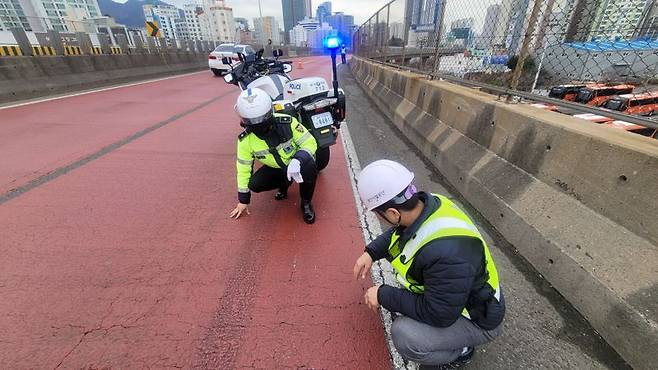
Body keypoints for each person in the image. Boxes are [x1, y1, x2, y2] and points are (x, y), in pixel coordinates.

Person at [353, 160, 505, 369]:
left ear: (393, 214)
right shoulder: (430, 205)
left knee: (405, 335)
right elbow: (399, 233)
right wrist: (371, 253)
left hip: (479, 318)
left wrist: (382, 294)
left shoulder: (446, 254)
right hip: (461, 293)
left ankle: (461, 351)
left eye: (377, 213)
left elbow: (438, 314)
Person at [229, 88, 319, 224]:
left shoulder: (287, 122)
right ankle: (284, 184)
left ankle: (306, 202)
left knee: (310, 167)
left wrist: (298, 159)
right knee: (255, 184)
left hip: (298, 162)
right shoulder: (245, 140)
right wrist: (243, 200)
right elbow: (243, 169)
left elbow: (309, 142)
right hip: (277, 168)